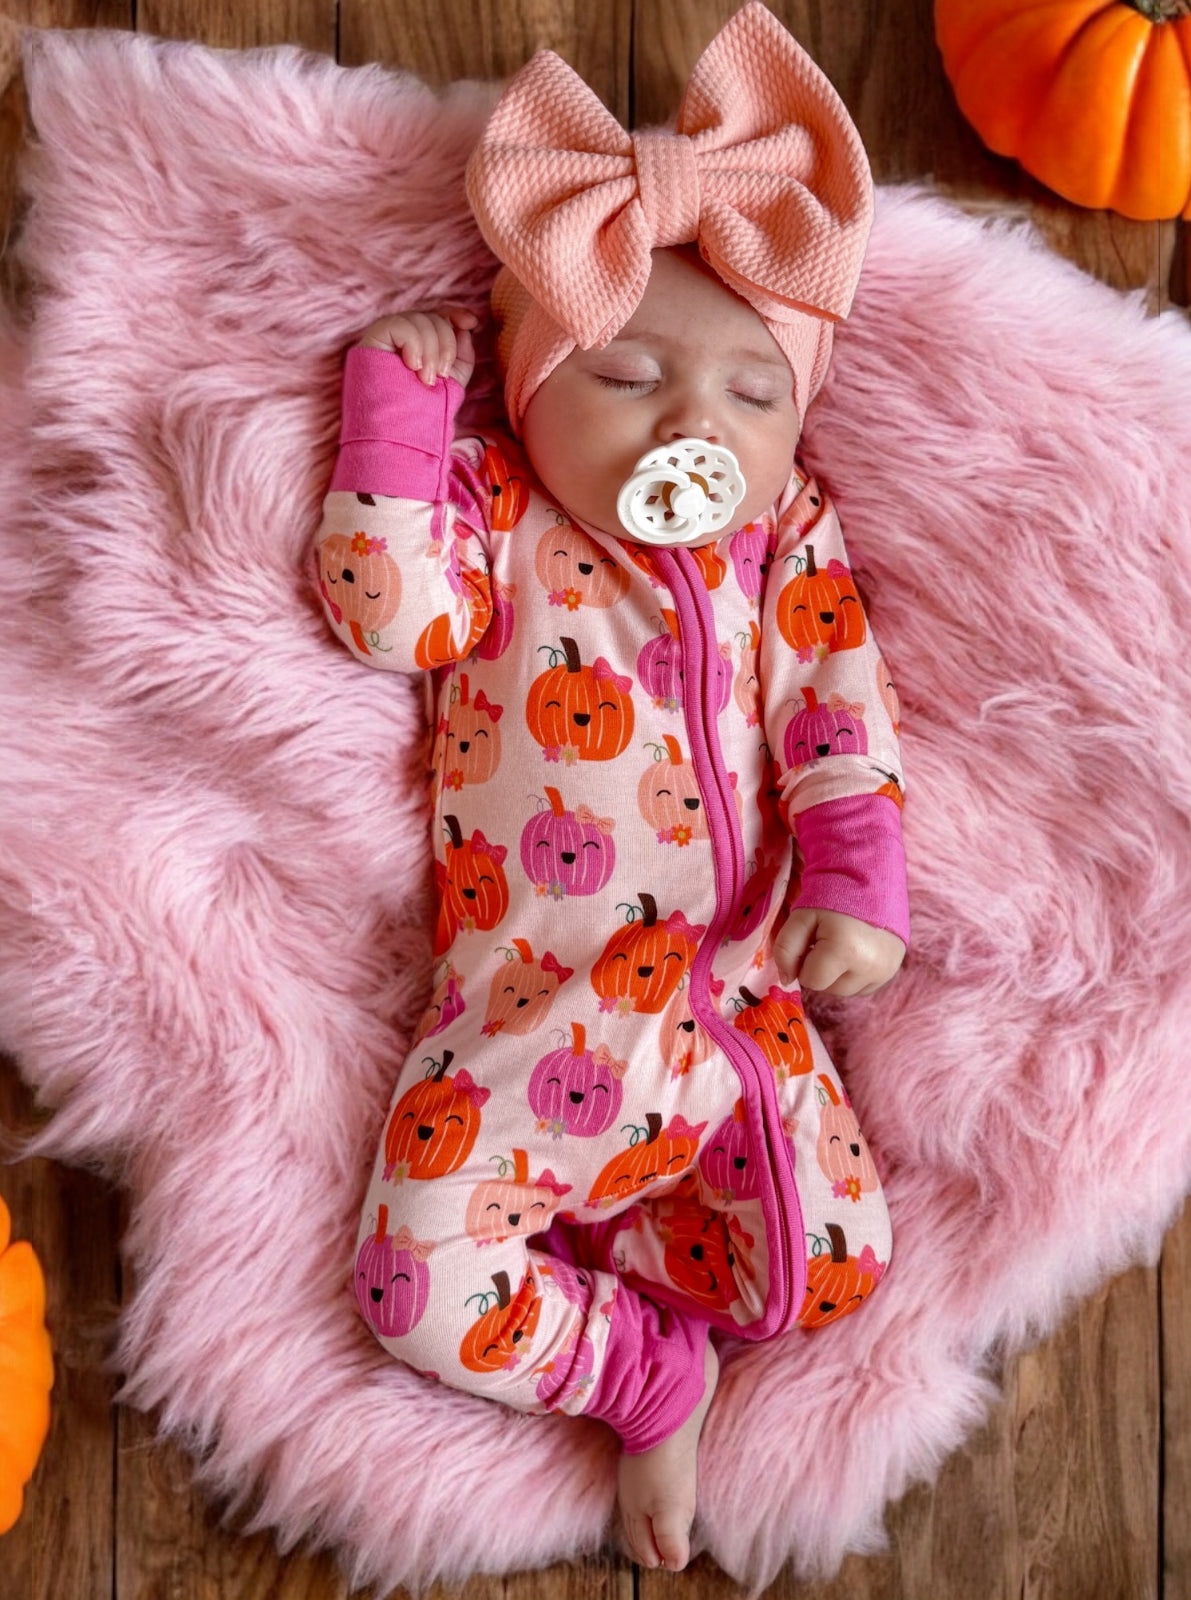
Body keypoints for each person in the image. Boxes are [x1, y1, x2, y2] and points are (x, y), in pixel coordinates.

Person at [315, 1, 907, 1572]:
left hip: (734, 1008)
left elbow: (838, 710)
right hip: (519, 1015)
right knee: (410, 1294)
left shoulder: (785, 542)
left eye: (750, 397)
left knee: (837, 1271)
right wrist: (400, 421)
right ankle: (643, 1373)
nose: (691, 425)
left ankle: (647, 1255)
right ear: (526, 385)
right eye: (632, 373)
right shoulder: (500, 511)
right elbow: (389, 612)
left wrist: (858, 884)